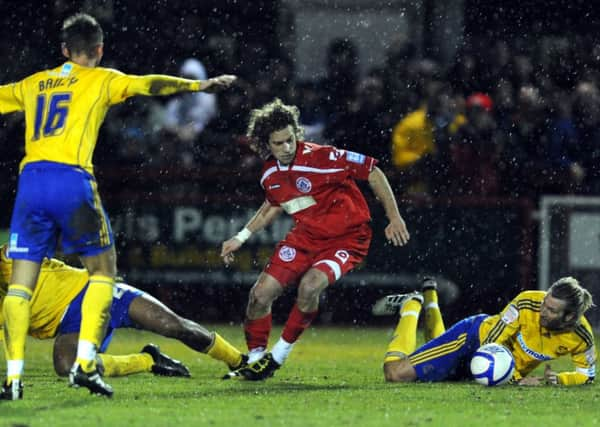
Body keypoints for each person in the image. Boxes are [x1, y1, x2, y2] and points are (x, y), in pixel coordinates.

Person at [0, 13, 236, 399]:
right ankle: (87, 364)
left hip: (30, 183)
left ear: (63, 50)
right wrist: (198, 84)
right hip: (71, 179)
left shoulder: (32, 84)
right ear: (99, 49)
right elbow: (149, 85)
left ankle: (12, 381)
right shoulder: (103, 78)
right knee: (103, 272)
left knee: (19, 287)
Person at [220, 98, 410, 381]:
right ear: (265, 145)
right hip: (305, 237)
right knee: (259, 296)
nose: (286, 148)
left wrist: (394, 217)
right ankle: (256, 361)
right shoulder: (269, 174)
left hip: (348, 238)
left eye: (289, 140)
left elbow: (373, 171)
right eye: (278, 143)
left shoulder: (324, 157)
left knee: (309, 287)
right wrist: (241, 237)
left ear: (297, 134)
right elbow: (272, 205)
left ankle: (278, 356)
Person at [0, 245, 246, 383]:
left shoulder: (9, 255)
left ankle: (240, 361)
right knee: (67, 366)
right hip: (71, 324)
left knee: (171, 325)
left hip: (93, 290)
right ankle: (148, 360)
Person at [374, 277, 596, 386]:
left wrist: (559, 380)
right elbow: (491, 342)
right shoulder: (527, 302)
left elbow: (587, 376)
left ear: (569, 317)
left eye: (551, 310)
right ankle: (412, 305)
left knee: (437, 356)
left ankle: (430, 298)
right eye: (545, 303)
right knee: (395, 374)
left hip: (492, 370)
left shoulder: (581, 337)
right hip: (473, 340)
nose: (542, 311)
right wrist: (516, 381)